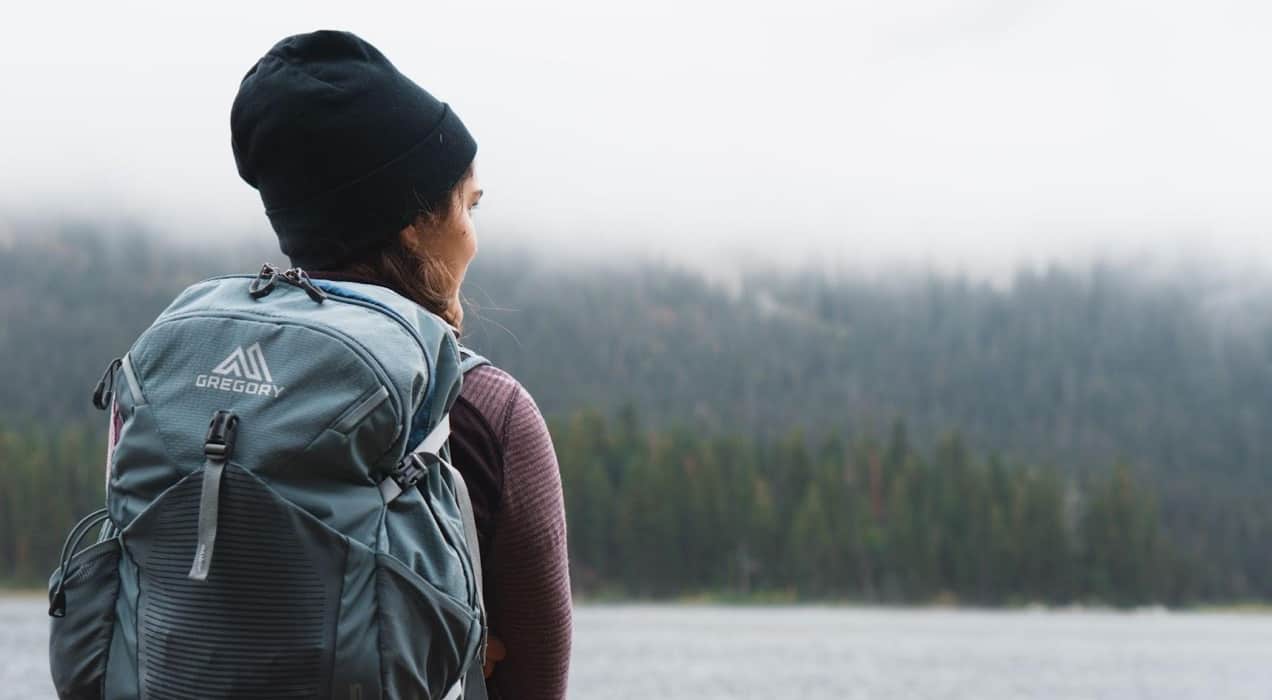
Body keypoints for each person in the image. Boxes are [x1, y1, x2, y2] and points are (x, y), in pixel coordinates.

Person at [228, 30, 572, 699]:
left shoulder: (180, 376)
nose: (474, 236)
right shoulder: (482, 411)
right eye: (469, 206)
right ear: (414, 221)